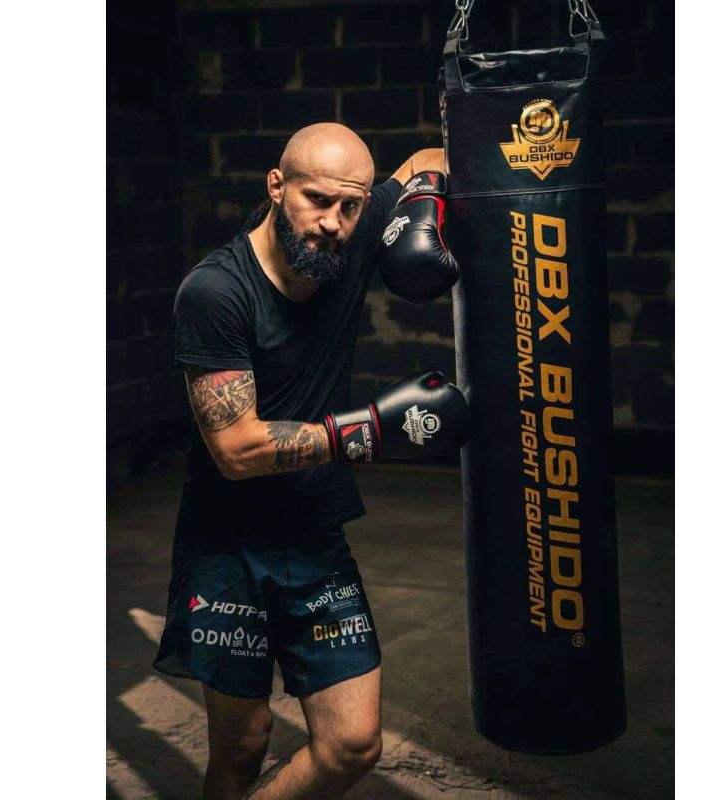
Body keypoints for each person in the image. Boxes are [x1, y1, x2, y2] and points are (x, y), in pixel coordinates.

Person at [154, 122, 463, 800]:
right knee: (243, 746)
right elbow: (236, 451)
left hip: (314, 536)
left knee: (352, 744)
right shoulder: (215, 292)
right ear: (277, 185)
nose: (332, 223)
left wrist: (424, 203)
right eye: (316, 200)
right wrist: (369, 430)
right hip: (226, 546)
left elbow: (432, 154)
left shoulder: (354, 226)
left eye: (351, 206)